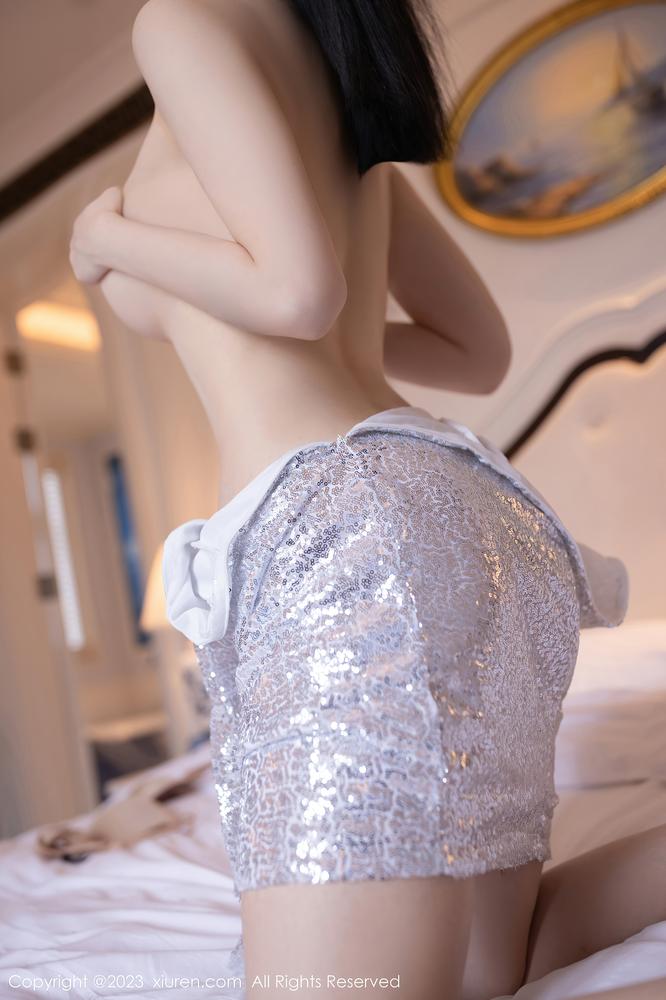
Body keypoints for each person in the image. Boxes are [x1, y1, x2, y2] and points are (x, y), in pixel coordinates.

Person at [69, 2, 663, 998]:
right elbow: (475, 353)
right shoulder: (341, 97)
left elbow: (299, 295)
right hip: (469, 513)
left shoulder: (181, 22)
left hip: (342, 531)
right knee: (490, 971)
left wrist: (107, 235)